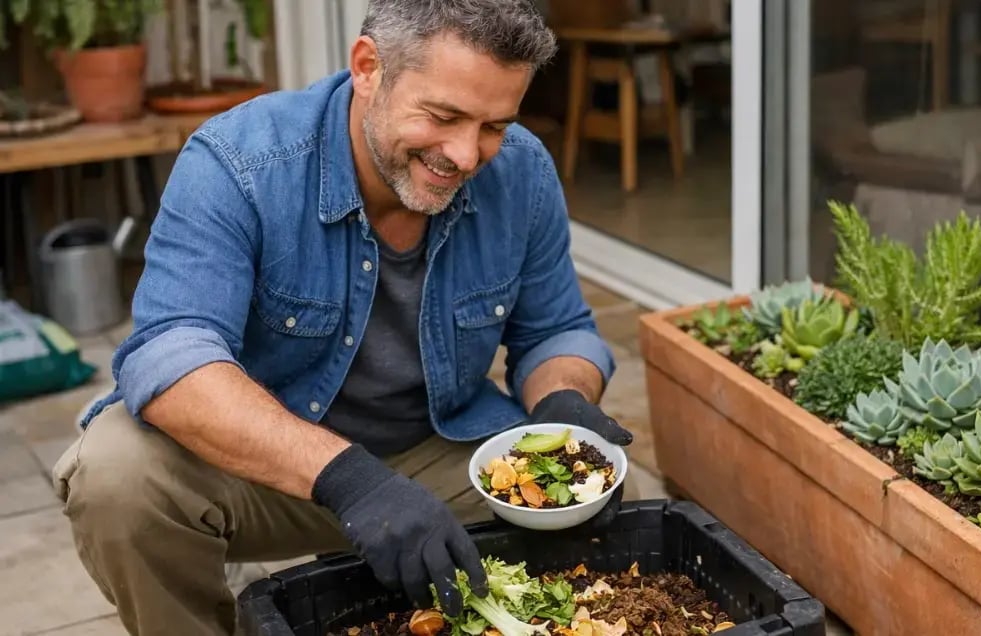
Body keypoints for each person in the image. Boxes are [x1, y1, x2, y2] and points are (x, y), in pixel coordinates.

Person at [50, 1, 634, 634]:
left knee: (601, 531)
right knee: (115, 478)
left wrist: (562, 399)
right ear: (367, 68)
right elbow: (171, 356)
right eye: (443, 116)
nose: (467, 154)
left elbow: (555, 331)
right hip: (270, 471)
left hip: (437, 456)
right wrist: (349, 480)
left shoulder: (523, 171)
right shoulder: (238, 164)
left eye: (493, 124)